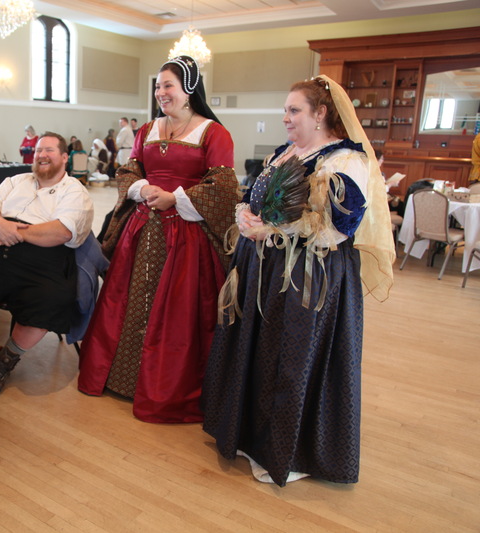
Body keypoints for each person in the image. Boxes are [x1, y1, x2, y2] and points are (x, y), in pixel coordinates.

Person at [201, 76, 395, 486]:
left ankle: (286, 451)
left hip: (308, 274)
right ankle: (248, 436)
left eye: (294, 110)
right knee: (258, 351)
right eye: (285, 111)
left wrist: (271, 231)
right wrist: (244, 216)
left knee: (291, 358)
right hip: (264, 268)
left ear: (320, 113)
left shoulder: (344, 161)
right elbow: (251, 199)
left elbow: (337, 228)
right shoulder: (284, 153)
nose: (285, 118)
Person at [77, 56, 241, 423]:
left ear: (189, 89)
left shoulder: (213, 133)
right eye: (157, 86)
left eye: (168, 86)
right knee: (126, 301)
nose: (161, 93)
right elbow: (128, 170)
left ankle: (164, 389)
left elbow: (224, 187)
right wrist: (142, 188)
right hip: (141, 229)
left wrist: (176, 198)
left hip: (187, 237)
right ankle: (121, 378)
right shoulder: (148, 130)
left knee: (178, 311)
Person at [0, 132, 94, 395]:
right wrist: (0, 224)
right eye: (38, 150)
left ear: (65, 157)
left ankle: (6, 360)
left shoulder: (74, 190)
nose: (42, 155)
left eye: (49, 150)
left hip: (41, 261)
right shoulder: (15, 180)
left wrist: (10, 233)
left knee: (52, 298)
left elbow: (62, 231)